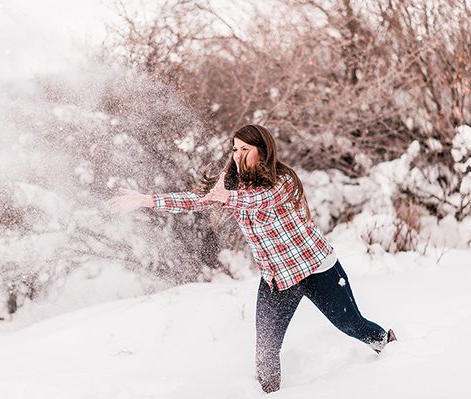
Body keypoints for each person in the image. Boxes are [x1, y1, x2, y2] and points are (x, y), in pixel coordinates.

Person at [108, 124, 395, 393]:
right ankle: (270, 395)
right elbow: (196, 200)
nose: (238, 155)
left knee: (352, 325)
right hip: (278, 280)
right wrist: (147, 200)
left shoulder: (282, 181)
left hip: (317, 269)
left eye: (245, 149)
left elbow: (260, 200)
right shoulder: (233, 186)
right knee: (266, 351)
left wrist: (226, 196)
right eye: (234, 149)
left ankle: (394, 350)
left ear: (263, 151)